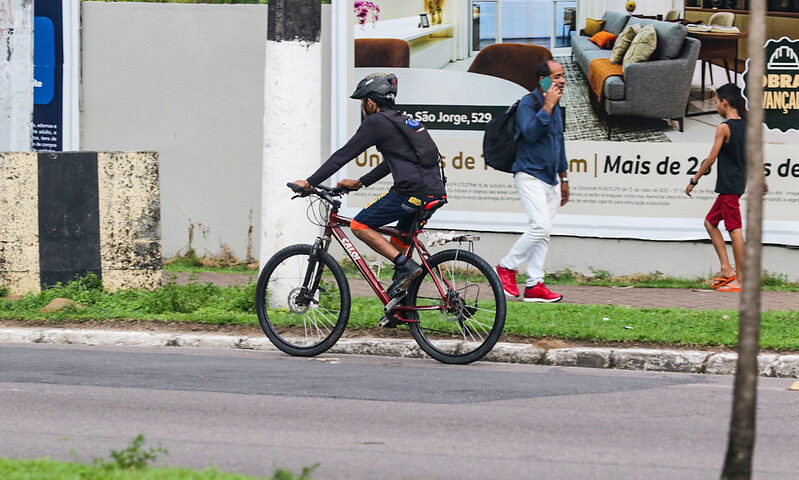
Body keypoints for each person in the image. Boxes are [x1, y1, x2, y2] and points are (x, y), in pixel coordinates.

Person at [293, 73, 447, 299]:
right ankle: (400, 302)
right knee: (400, 237)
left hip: (411, 192)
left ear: (371, 102)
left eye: (362, 102)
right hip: (433, 191)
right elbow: (392, 162)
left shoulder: (376, 122)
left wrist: (309, 182)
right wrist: (360, 182)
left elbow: (342, 156)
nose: (362, 108)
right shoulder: (401, 120)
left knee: (359, 224)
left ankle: (407, 266)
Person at [495, 60, 570, 303]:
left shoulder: (556, 105)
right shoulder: (529, 102)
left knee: (544, 232)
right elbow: (528, 133)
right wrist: (546, 107)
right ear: (543, 80)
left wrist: (564, 178)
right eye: (556, 76)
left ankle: (535, 284)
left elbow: (558, 142)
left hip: (551, 178)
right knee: (540, 226)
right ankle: (507, 266)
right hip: (530, 174)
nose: (562, 80)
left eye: (563, 75)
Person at [685, 83, 765, 292]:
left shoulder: (724, 127)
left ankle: (741, 279)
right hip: (734, 186)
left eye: (717, 102)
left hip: (729, 187)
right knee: (710, 223)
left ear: (724, 102)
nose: (716, 106)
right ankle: (726, 269)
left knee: (734, 230)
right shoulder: (747, 127)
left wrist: (694, 180)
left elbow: (711, 159)